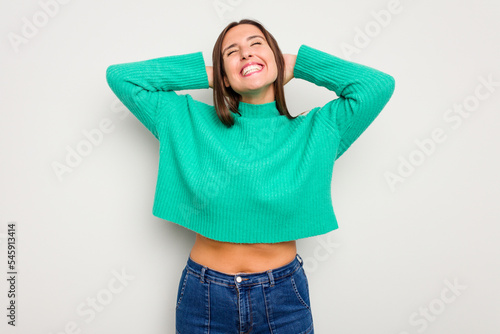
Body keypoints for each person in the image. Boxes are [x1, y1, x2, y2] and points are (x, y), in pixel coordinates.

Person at [106, 18, 395, 334]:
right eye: (232, 52)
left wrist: (299, 64)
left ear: (276, 56)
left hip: (282, 295)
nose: (246, 53)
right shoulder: (185, 120)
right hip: (203, 296)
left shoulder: (317, 130)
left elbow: (376, 86)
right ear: (223, 74)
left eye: (257, 44)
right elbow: (121, 77)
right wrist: (212, 75)